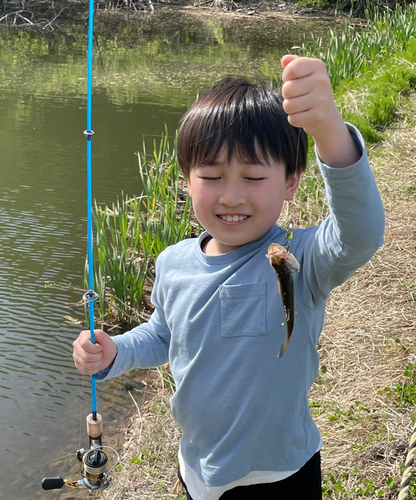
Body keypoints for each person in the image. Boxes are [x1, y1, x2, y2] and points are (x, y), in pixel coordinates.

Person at [73, 55, 385, 500]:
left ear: (292, 181)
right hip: (198, 468)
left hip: (279, 475)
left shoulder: (299, 258)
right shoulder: (172, 261)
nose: (231, 195)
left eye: (254, 176)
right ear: (186, 179)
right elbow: (165, 334)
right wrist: (115, 351)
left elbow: (361, 233)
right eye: (212, 175)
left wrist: (329, 130)